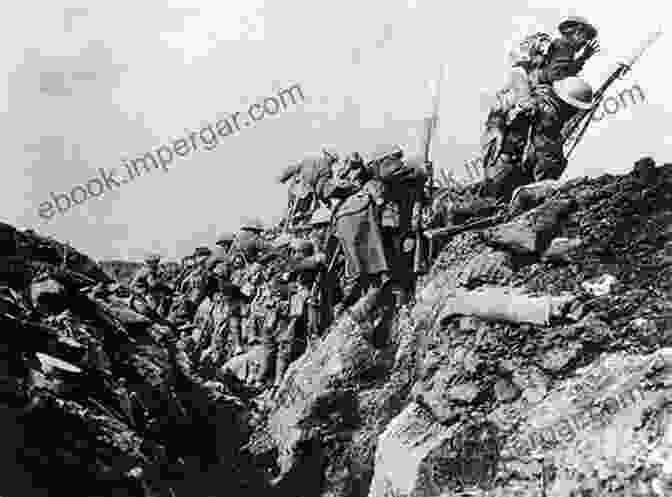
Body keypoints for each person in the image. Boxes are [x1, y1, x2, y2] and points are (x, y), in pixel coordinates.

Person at [481, 76, 594, 203]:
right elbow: (547, 156)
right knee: (496, 201)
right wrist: (548, 187)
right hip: (504, 166)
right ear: (569, 105)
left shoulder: (541, 93)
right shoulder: (550, 114)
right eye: (576, 109)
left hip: (496, 152)